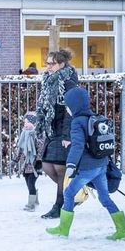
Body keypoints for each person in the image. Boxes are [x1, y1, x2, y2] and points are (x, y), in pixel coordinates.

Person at [46, 86, 125, 239]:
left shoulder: (77, 122)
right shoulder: (95, 118)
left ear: (74, 106)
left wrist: (71, 165)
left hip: (87, 169)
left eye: (68, 106)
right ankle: (122, 230)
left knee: (69, 193)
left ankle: (63, 228)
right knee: (105, 198)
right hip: (101, 166)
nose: (68, 110)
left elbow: (77, 145)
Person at [34, 50, 80, 219]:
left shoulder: (68, 82)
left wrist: (67, 136)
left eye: (51, 63)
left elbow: (70, 111)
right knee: (47, 165)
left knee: (60, 169)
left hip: (64, 128)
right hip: (52, 128)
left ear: (62, 64)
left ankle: (59, 205)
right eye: (46, 63)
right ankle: (74, 192)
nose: (48, 67)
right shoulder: (49, 81)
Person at [12, 111, 46, 211]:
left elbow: (40, 150)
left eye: (27, 122)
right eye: (24, 122)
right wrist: (15, 160)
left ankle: (31, 205)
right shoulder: (23, 135)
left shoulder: (37, 136)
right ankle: (35, 199)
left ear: (34, 123)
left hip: (34, 165)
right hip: (25, 166)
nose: (25, 124)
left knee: (31, 183)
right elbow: (19, 149)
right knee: (29, 184)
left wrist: (39, 162)